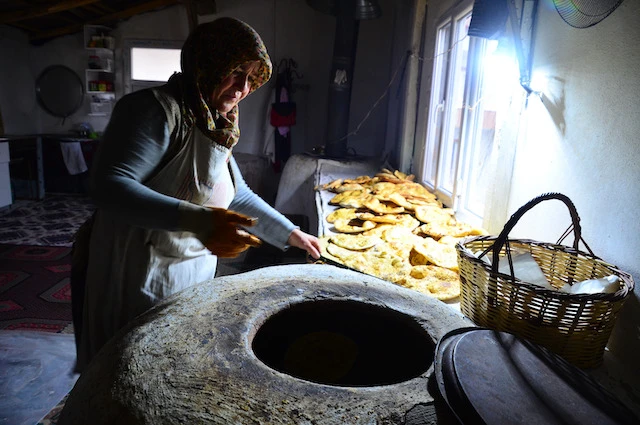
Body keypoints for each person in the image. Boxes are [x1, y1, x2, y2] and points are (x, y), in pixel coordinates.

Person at [71, 17, 321, 372]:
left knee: (169, 364)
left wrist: (291, 234)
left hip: (188, 272)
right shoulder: (156, 111)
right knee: (130, 369)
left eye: (252, 78)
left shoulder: (215, 121)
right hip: (140, 274)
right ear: (206, 64)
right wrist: (201, 221)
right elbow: (111, 186)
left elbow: (234, 194)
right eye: (235, 72)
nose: (242, 88)